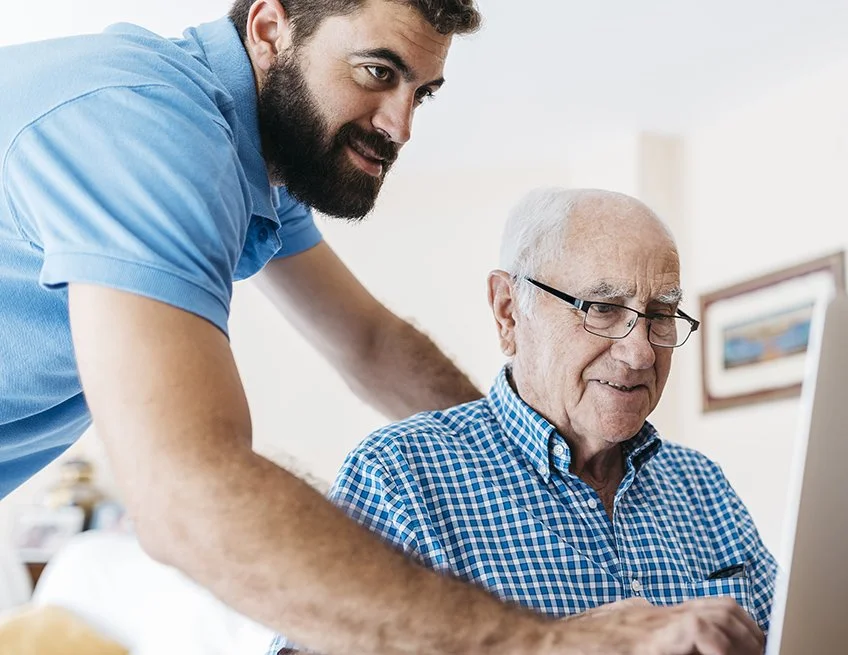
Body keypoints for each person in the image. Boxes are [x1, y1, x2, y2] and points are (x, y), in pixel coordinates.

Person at [0, 0, 770, 652]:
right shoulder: (149, 129)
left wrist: (523, 458)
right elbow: (186, 500)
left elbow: (369, 344)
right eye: (377, 71)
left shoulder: (255, 158)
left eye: (422, 92)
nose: (401, 125)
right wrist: (558, 639)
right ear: (270, 27)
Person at [270, 188, 778, 654]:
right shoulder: (400, 478)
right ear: (509, 312)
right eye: (602, 308)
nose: (640, 351)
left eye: (661, 314)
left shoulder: (704, 486)